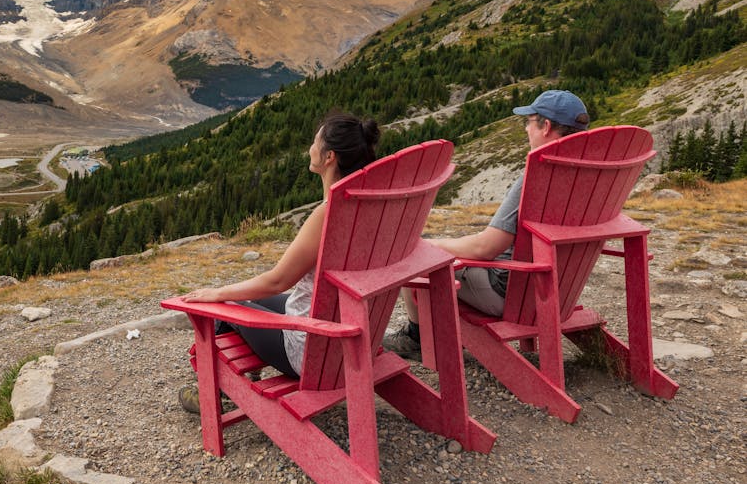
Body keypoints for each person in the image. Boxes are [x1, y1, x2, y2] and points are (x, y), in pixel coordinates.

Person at [176, 112, 381, 412]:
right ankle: (232, 376)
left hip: (312, 352)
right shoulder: (369, 205)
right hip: (353, 336)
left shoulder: (328, 214)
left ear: (329, 157)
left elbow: (278, 280)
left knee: (222, 307)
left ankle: (215, 393)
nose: (309, 147)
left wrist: (218, 294)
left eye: (314, 142)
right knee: (255, 297)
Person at [382, 89, 591, 357]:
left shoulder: (538, 174)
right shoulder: (591, 175)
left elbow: (486, 248)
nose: (526, 129)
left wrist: (427, 245)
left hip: (510, 293)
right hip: (559, 292)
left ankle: (417, 337)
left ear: (546, 127)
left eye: (528, 122)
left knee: (410, 256)